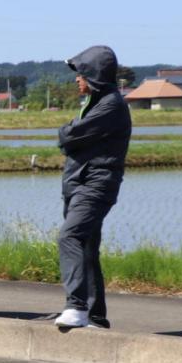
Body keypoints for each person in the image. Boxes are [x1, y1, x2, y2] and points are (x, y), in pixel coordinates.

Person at [53, 45, 132, 329]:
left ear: (95, 74)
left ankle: (76, 306)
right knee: (85, 246)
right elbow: (73, 137)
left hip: (95, 184)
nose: (77, 78)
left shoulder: (110, 105)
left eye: (81, 73)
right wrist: (71, 133)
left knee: (69, 236)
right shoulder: (96, 102)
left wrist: (67, 131)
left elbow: (69, 136)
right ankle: (95, 316)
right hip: (80, 182)